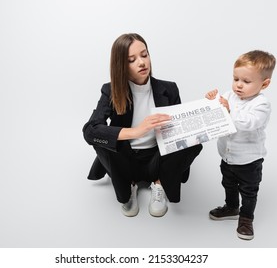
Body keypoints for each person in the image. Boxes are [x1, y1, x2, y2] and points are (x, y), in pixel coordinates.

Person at [83, 33, 202, 217]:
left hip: (157, 158)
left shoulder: (169, 89)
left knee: (193, 141)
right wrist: (136, 131)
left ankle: (159, 183)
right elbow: (90, 131)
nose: (141, 62)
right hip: (125, 158)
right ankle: (128, 186)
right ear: (121, 65)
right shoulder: (110, 90)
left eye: (144, 55)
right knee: (103, 140)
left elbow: (179, 129)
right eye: (132, 59)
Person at [205, 50, 276, 240]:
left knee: (248, 190)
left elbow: (249, 123)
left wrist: (228, 110)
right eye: (236, 78)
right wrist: (212, 100)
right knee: (228, 184)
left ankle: (246, 218)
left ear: (264, 83)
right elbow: (217, 112)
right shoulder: (229, 96)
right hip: (227, 157)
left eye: (246, 81)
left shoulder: (261, 104)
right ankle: (231, 207)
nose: (238, 84)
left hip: (249, 160)